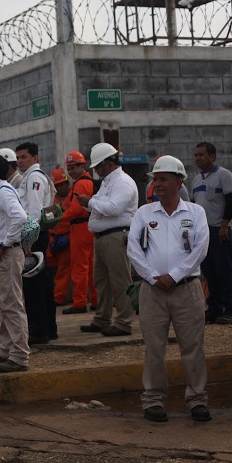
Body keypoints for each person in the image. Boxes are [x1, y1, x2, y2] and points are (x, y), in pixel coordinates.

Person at [127, 156, 211, 423]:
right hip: (152, 291)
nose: (157, 184)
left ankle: (197, 400)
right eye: (155, 179)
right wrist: (153, 277)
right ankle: (153, 401)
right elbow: (134, 249)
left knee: (193, 347)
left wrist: (174, 276)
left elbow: (200, 250)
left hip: (187, 289)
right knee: (154, 348)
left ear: (179, 182)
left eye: (163, 179)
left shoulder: (195, 213)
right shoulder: (144, 213)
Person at [77, 143, 137, 337]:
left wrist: (90, 202)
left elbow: (114, 208)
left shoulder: (122, 182)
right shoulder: (108, 182)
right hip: (104, 237)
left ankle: (124, 322)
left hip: (116, 236)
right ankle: (102, 318)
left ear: (108, 163)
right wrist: (89, 204)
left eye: (98, 166)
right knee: (102, 282)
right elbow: (102, 206)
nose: (95, 170)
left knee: (120, 282)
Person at [0, 154, 31, 373]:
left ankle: (19, 356)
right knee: (3, 304)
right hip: (0, 255)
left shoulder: (3, 192)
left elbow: (20, 217)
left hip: (7, 255)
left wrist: (5, 243)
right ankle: (6, 348)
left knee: (12, 305)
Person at [193, 142, 232, 325]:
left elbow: (231, 201)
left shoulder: (224, 176)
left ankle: (230, 310)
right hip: (203, 232)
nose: (197, 158)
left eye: (201, 155)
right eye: (196, 155)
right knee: (209, 272)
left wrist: (223, 226)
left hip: (219, 231)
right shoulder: (196, 179)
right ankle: (214, 309)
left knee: (224, 271)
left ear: (213, 156)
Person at [16, 142, 57, 344]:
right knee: (42, 282)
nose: (20, 161)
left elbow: (34, 211)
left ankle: (40, 331)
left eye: (24, 157)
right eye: (18, 158)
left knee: (34, 286)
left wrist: (28, 240)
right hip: (37, 233)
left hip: (35, 234)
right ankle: (49, 328)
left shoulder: (34, 178)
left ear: (35, 158)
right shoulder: (32, 177)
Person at [61, 151, 97, 313]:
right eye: (69, 168)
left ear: (82, 166)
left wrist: (58, 219)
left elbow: (74, 210)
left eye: (73, 167)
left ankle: (80, 303)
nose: (70, 171)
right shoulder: (85, 182)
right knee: (90, 267)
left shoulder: (81, 184)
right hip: (87, 228)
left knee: (80, 267)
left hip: (80, 228)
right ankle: (96, 300)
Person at [47, 168, 72, 307]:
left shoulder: (73, 197)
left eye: (63, 184)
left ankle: (59, 297)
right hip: (52, 238)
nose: (61, 187)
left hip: (66, 238)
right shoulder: (52, 198)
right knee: (50, 269)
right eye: (58, 185)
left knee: (64, 270)